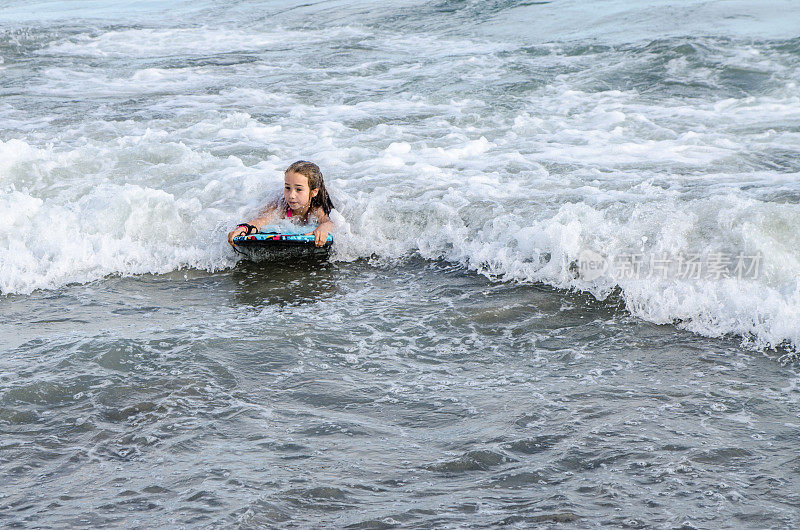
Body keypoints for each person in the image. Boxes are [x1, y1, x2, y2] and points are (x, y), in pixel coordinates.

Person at [227, 161, 336, 248]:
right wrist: (245, 228)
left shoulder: (317, 207)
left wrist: (323, 229)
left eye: (298, 189)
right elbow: (262, 220)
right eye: (288, 188)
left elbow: (328, 222)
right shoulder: (281, 205)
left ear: (314, 192)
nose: (291, 195)